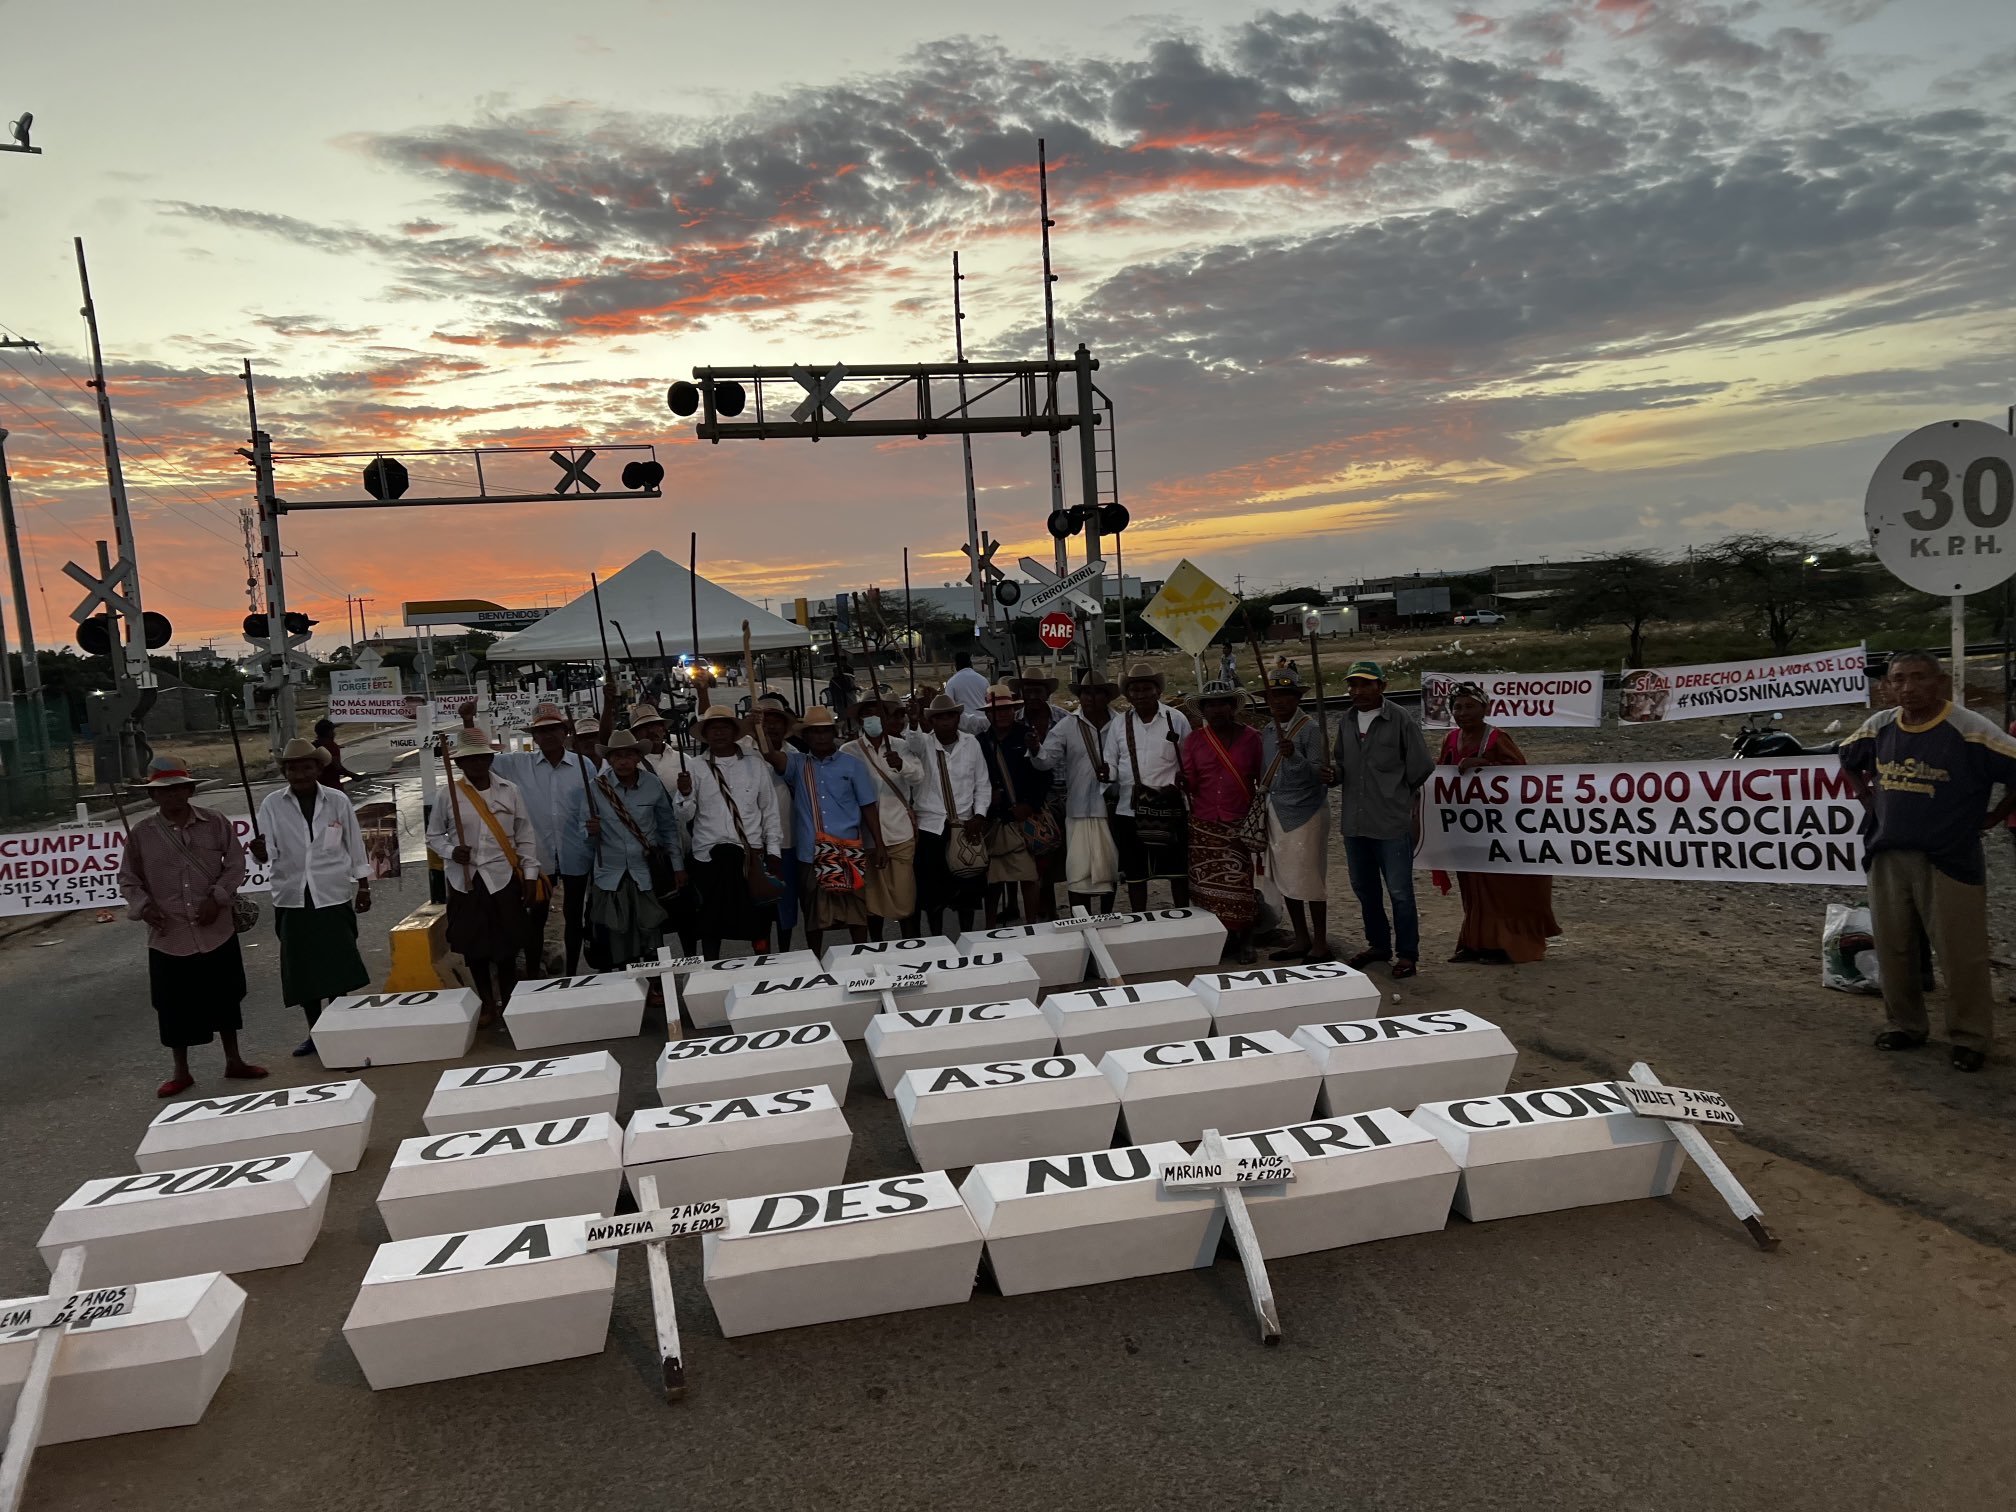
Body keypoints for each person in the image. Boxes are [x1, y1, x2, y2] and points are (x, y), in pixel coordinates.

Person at [1840, 650, 2016, 1072]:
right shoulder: (1880, 726)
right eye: (1898, 679)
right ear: (1886, 686)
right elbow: (1848, 759)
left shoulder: (1969, 729)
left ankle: (1970, 1037)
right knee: (1893, 945)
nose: (1908, 688)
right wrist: (1867, 797)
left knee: (1960, 952)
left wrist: (1992, 816)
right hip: (1888, 853)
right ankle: (1904, 1024)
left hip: (1949, 857)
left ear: (1940, 682)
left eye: (1919, 678)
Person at [118, 755, 267, 1097]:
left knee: (226, 997)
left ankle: (234, 1060)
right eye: (163, 792)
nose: (172, 797)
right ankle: (181, 1071)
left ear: (190, 790)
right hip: (169, 935)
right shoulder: (141, 834)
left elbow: (234, 865)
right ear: (153, 797)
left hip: (216, 929)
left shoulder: (215, 823)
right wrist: (143, 908)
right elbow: (129, 880)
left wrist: (218, 897)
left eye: (178, 789)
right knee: (172, 1006)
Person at [250, 739, 372, 1058]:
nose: (300, 773)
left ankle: (341, 1027)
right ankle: (316, 1032)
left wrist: (364, 885)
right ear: (284, 772)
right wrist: (261, 852)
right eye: (292, 767)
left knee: (337, 964)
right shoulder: (272, 805)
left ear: (318, 768)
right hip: (292, 896)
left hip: (331, 892)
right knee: (302, 968)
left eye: (306, 766)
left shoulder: (336, 800)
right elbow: (269, 852)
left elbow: (354, 842)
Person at [1437, 684, 1560, 965]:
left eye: (1470, 706)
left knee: (1501, 886)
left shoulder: (1496, 738)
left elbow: (1520, 777)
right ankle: (1474, 942)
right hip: (1465, 826)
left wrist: (1484, 765)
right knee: (1472, 886)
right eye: (1457, 707)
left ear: (1485, 708)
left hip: (1498, 827)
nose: (1463, 712)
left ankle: (1505, 945)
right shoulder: (1451, 739)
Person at [428, 730, 544, 1025]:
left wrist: (530, 875)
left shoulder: (510, 791)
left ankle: (508, 1003)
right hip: (465, 882)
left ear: (491, 758)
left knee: (505, 947)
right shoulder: (448, 795)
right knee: (474, 949)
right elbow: (433, 836)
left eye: (482, 757)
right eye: (470, 759)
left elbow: (525, 835)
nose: (477, 763)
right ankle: (488, 1005)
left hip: (502, 877)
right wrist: (452, 851)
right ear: (460, 764)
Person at [757, 706, 887, 954]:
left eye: (825, 731)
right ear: (805, 737)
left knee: (856, 912)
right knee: (814, 915)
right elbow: (768, 753)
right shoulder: (797, 764)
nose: (820, 737)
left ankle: (861, 957)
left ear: (833, 733)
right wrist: (757, 726)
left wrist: (878, 844)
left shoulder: (853, 765)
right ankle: (817, 963)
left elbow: (869, 807)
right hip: (811, 850)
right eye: (814, 732)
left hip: (848, 848)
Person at [1334, 660, 1434, 979]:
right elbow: (1341, 765)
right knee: (1365, 889)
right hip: (1355, 822)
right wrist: (1331, 774)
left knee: (1400, 891)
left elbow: (1421, 766)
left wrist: (1395, 794)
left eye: (1365, 684)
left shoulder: (1400, 719)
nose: (1358, 691)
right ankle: (1378, 945)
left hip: (1391, 823)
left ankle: (1407, 954)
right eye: (1353, 685)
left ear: (1382, 686)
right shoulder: (1346, 721)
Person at [564, 729, 683, 978]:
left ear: (638, 757)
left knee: (651, 934)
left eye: (629, 755)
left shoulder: (652, 784)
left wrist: (678, 865)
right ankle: (625, 987)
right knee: (615, 937)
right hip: (610, 874)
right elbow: (583, 832)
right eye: (617, 756)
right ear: (610, 759)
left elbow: (667, 827)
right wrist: (591, 830)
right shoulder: (595, 788)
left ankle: (656, 985)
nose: (623, 761)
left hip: (646, 873)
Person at [492, 702, 597, 977]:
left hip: (576, 852)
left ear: (565, 732)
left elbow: (594, 803)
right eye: (542, 731)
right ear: (534, 737)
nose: (548, 736)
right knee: (535, 919)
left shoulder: (583, 765)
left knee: (575, 916)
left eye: (554, 730)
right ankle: (532, 973)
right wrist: (469, 724)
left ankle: (573, 973)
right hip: (537, 857)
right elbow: (479, 761)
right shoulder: (518, 764)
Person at [683, 704, 783, 956]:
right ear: (705, 734)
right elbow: (683, 815)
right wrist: (684, 794)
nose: (719, 733)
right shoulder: (694, 767)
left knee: (758, 919)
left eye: (724, 727)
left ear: (734, 731)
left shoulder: (755, 764)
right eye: (713, 728)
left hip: (749, 852)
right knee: (709, 922)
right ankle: (708, 971)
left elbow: (769, 809)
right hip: (708, 854)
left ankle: (764, 967)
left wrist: (773, 851)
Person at [1180, 681, 1264, 963]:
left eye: (1223, 703)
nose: (1217, 709)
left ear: (1233, 706)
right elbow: (1191, 783)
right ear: (1203, 710)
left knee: (1241, 885)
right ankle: (1223, 938)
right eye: (1210, 704)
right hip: (1204, 821)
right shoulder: (1193, 741)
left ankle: (1246, 940)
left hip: (1239, 819)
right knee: (1208, 887)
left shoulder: (1253, 738)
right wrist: (1182, 781)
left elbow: (1262, 779)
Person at [1104, 662, 1192, 911]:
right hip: (1130, 809)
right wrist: (1105, 773)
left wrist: (1180, 789)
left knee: (1177, 872)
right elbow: (1111, 762)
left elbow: (1189, 761)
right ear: (1128, 694)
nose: (1141, 694)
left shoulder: (1175, 720)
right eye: (1135, 690)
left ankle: (1183, 917)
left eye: (1146, 689)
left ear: (1158, 691)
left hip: (1170, 806)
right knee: (1136, 874)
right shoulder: (1120, 724)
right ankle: (1139, 921)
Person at [1259, 669, 1334, 962]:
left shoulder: (1311, 729)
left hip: (1307, 811)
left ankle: (1321, 941)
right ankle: (1300, 938)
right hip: (1277, 809)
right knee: (1287, 878)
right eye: (1273, 696)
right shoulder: (1267, 730)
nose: (1278, 702)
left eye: (1284, 696)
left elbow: (1320, 772)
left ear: (1296, 698)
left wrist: (1294, 756)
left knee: (1310, 877)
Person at [1034, 663, 1120, 915]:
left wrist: (1113, 774)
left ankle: (1106, 916)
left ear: (1106, 696)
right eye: (1084, 693)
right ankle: (1080, 921)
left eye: (1095, 693)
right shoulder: (1067, 726)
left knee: (1109, 868)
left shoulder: (1120, 724)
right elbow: (1045, 761)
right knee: (1078, 870)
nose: (1089, 698)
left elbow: (1128, 761)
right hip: (1079, 807)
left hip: (1112, 805)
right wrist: (1035, 748)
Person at [913, 692, 990, 937]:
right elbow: (910, 741)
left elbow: (983, 783)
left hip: (967, 824)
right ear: (932, 722)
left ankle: (967, 936)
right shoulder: (922, 744)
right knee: (932, 892)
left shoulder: (971, 743)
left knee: (968, 887)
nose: (945, 721)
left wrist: (979, 816)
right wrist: (914, 720)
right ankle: (937, 939)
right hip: (931, 825)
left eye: (950, 716)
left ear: (958, 718)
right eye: (939, 717)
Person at [848, 692, 923, 937]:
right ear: (860, 720)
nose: (872, 719)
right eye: (866, 715)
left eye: (876, 714)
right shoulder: (849, 751)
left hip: (899, 831)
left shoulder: (901, 746)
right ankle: (877, 945)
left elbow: (918, 776)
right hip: (867, 837)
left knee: (905, 898)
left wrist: (901, 764)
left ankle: (911, 946)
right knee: (873, 901)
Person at [979, 685, 1047, 928]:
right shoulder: (980, 741)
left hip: (1024, 816)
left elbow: (1043, 774)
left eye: (1007, 709)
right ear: (988, 714)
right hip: (995, 818)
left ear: (1013, 711)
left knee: (1029, 876)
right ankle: (989, 926)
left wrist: (1030, 804)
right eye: (997, 710)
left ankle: (1031, 924)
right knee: (993, 879)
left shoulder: (1028, 736)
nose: (1002, 714)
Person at [743, 693, 804, 949]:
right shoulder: (744, 752)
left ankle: (786, 952)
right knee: (758, 903)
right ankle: (763, 955)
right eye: (764, 719)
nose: (770, 724)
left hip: (788, 839)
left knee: (786, 903)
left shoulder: (795, 754)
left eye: (776, 720)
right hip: (755, 840)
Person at [1015, 674, 1067, 920]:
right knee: (1040, 858)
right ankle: (1047, 910)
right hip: (1034, 799)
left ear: (1047, 693)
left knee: (1063, 856)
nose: (1033, 696)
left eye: (1038, 691)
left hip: (1065, 792)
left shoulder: (1064, 719)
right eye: (1029, 691)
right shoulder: (1015, 721)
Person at [946, 650, 990, 730]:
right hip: (985, 724)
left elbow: (949, 706)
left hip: (965, 726)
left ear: (956, 665)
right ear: (970, 663)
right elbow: (989, 701)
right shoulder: (983, 680)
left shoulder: (952, 682)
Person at [311, 718, 357, 789]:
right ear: (329, 732)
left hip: (316, 787)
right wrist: (352, 775)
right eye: (332, 731)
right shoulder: (331, 746)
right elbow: (337, 767)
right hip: (332, 786)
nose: (334, 733)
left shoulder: (312, 746)